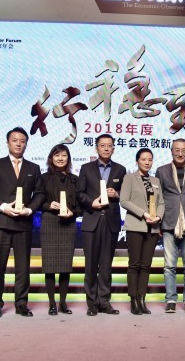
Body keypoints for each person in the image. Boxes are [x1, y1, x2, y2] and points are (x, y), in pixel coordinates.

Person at [0, 127, 43, 319]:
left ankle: (21, 304)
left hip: (23, 223)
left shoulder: (33, 168)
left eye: (22, 141)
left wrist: (29, 210)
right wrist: (2, 207)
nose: (18, 144)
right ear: (8, 142)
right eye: (15, 140)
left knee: (23, 267)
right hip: (0, 221)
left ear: (26, 144)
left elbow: (40, 194)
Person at [76, 134, 126, 316]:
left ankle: (104, 301)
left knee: (106, 265)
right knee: (90, 265)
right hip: (92, 220)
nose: (106, 148)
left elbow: (126, 194)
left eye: (109, 145)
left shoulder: (120, 169)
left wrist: (117, 194)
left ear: (114, 148)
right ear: (96, 148)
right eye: (102, 145)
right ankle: (91, 303)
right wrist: (92, 203)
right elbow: (79, 193)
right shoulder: (86, 168)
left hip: (111, 222)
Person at [155, 138, 185, 313]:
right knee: (169, 266)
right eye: (177, 150)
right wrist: (158, 223)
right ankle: (171, 300)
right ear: (171, 151)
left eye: (183, 150)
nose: (180, 153)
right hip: (169, 222)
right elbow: (158, 198)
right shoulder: (161, 171)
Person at [38, 144, 81, 316]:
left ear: (68, 159)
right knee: (49, 266)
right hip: (50, 221)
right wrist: (49, 205)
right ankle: (52, 303)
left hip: (68, 223)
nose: (60, 158)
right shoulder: (43, 178)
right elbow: (37, 201)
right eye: (57, 155)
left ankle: (63, 303)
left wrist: (73, 212)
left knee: (65, 265)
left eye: (64, 155)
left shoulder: (75, 179)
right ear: (51, 158)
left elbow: (81, 205)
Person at [120, 148, 164, 315]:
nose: (147, 162)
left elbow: (161, 203)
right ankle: (133, 300)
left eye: (150, 159)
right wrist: (144, 213)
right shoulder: (129, 178)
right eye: (143, 159)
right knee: (135, 264)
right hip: (136, 226)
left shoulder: (156, 180)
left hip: (152, 227)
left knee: (146, 265)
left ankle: (142, 299)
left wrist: (158, 217)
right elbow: (124, 201)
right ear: (137, 160)